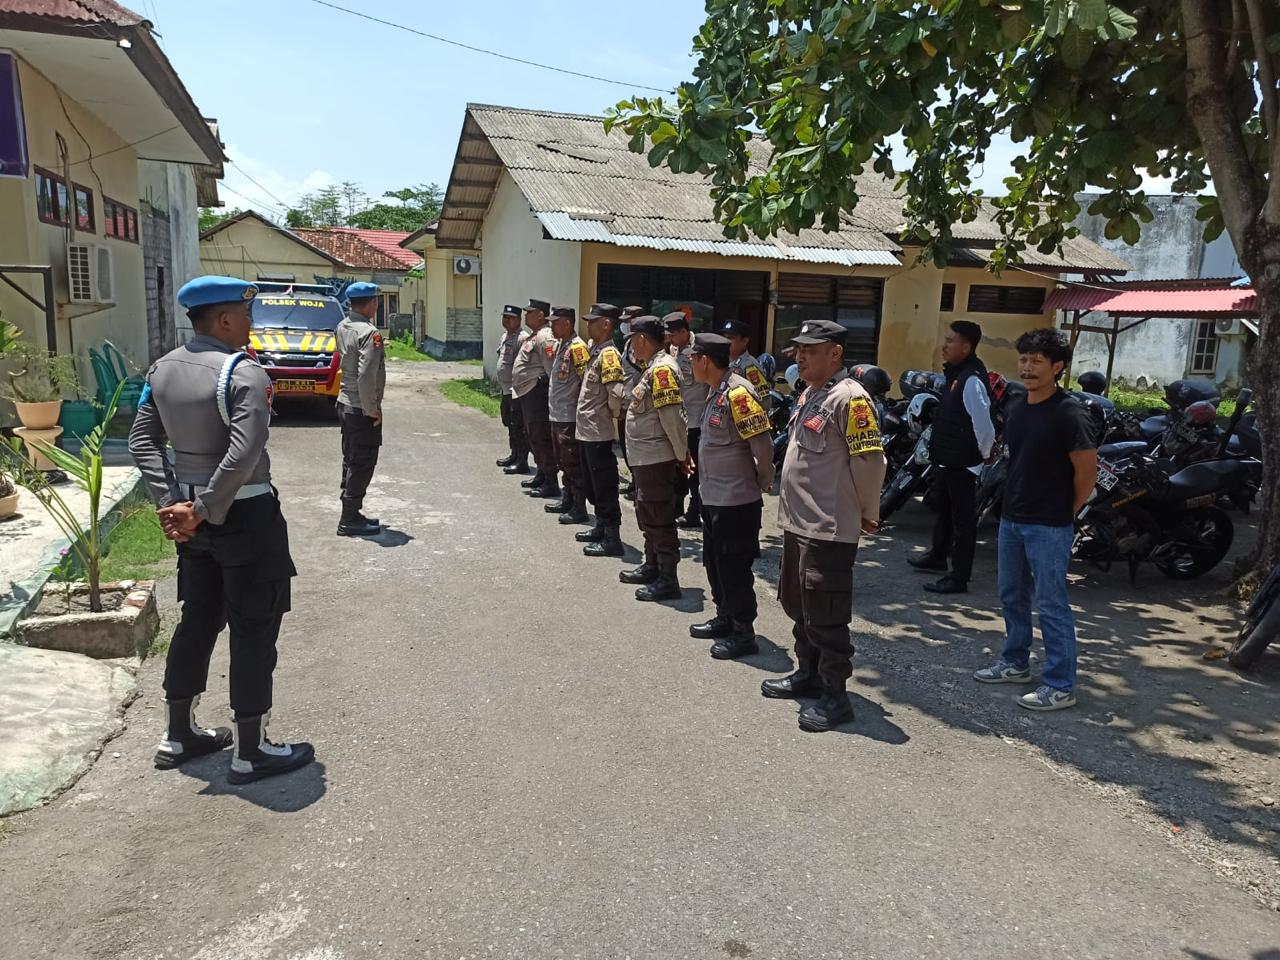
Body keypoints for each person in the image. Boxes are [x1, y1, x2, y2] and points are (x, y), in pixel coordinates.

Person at [128, 275, 314, 783]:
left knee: (198, 618)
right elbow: (244, 451)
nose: (250, 324)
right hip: (245, 516)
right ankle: (251, 750)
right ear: (225, 319)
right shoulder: (244, 373)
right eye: (246, 315)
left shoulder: (162, 370)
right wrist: (205, 507)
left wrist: (174, 502)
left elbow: (142, 440)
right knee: (254, 626)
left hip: (193, 522)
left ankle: (178, 733)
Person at [761, 319, 886, 733]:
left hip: (829, 526)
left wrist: (867, 510)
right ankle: (809, 673)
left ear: (835, 353)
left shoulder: (851, 398)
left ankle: (836, 695)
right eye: (799, 349)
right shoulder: (812, 393)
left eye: (811, 350)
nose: (801, 356)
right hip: (799, 523)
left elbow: (869, 461)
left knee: (826, 613)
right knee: (799, 605)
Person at [974, 328, 1096, 712]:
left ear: (1057, 367)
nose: (1027, 368)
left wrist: (1065, 511)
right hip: (1012, 518)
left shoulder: (1070, 413)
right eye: (1024, 359)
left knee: (1051, 603)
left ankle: (1060, 685)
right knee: (1011, 595)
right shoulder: (1018, 407)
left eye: (1037, 361)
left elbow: (1086, 474)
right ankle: (1015, 662)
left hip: (1049, 524)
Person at [688, 333, 775, 659]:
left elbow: (762, 444)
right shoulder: (715, 391)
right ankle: (724, 615)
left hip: (736, 500)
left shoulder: (738, 393)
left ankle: (743, 631)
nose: (690, 364)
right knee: (715, 562)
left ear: (704, 360)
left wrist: (763, 479)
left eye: (692, 359)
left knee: (734, 568)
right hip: (713, 496)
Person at [910, 319, 994, 593]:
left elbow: (984, 425)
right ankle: (938, 556)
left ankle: (958, 577)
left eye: (950, 341)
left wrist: (980, 456)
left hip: (963, 463)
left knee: (963, 522)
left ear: (966, 347)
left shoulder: (971, 380)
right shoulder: (955, 375)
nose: (944, 346)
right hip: (948, 458)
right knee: (944, 512)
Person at [620, 316, 688, 602]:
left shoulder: (662, 371)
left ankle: (668, 578)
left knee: (659, 517)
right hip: (645, 458)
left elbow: (672, 418)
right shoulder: (652, 367)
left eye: (633, 340)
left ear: (642, 339)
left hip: (656, 459)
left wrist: (682, 456)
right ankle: (652, 565)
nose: (631, 346)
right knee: (647, 513)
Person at [334, 281, 386, 537]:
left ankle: (352, 512)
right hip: (360, 407)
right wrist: (372, 409)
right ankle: (349, 518)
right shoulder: (369, 332)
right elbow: (366, 375)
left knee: (351, 458)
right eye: (376, 301)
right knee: (363, 462)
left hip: (345, 402)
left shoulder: (343, 326)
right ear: (371, 303)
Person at [574, 303, 627, 557]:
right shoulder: (595, 351)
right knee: (592, 483)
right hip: (587, 430)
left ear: (606, 324)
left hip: (598, 431)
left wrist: (612, 416)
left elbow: (615, 395)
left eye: (593, 321)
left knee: (604, 486)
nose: (588, 325)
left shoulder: (609, 356)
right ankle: (601, 527)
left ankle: (612, 539)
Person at [510, 298, 559, 499]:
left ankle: (551, 481)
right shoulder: (534, 335)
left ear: (540, 315)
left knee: (541, 437)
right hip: (527, 393)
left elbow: (551, 369)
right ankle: (542, 473)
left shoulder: (545, 336)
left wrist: (543, 388)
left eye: (529, 312)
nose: (525, 315)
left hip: (537, 394)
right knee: (532, 436)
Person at [546, 305, 591, 524]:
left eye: (555, 323)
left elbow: (585, 381)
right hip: (557, 414)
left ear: (567, 323)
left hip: (569, 416)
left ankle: (579, 507)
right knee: (563, 461)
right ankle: (568, 498)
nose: (551, 327)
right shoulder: (562, 344)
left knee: (573, 463)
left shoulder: (578, 347)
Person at [665, 312, 709, 529]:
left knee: (694, 470)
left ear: (683, 332)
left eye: (672, 335)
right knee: (678, 467)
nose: (670, 339)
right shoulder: (674, 349)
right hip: (679, 420)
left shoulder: (700, 349)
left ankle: (695, 510)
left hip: (696, 421)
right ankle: (677, 506)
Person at [496, 304, 531, 474]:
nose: (507, 320)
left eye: (511, 318)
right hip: (505, 389)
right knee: (509, 423)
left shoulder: (523, 338)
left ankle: (522, 460)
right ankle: (514, 454)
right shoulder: (505, 336)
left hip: (516, 390)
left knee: (518, 426)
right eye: (505, 317)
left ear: (519, 320)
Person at [617, 305, 646, 499]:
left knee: (636, 448)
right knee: (626, 447)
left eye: (628, 321)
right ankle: (635, 481)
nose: (624, 324)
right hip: (625, 404)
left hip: (637, 406)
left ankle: (639, 485)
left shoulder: (644, 345)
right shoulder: (629, 343)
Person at [719, 319, 771, 399]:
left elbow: (764, 399)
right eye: (724, 337)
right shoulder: (720, 361)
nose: (726, 341)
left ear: (744, 341)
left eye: (730, 338)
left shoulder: (750, 366)